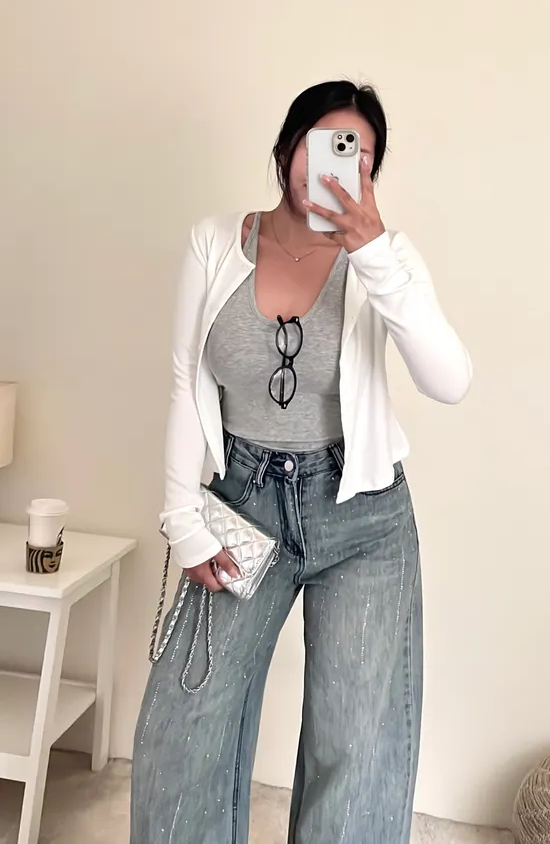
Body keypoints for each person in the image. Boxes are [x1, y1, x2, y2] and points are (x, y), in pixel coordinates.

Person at [130, 80, 472, 844]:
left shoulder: (385, 258)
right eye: (326, 145)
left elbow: (448, 380)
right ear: (288, 147)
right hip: (242, 501)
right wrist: (181, 518)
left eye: (361, 157)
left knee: (356, 749)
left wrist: (371, 251)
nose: (339, 166)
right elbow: (187, 379)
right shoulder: (216, 241)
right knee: (183, 733)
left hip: (362, 519)